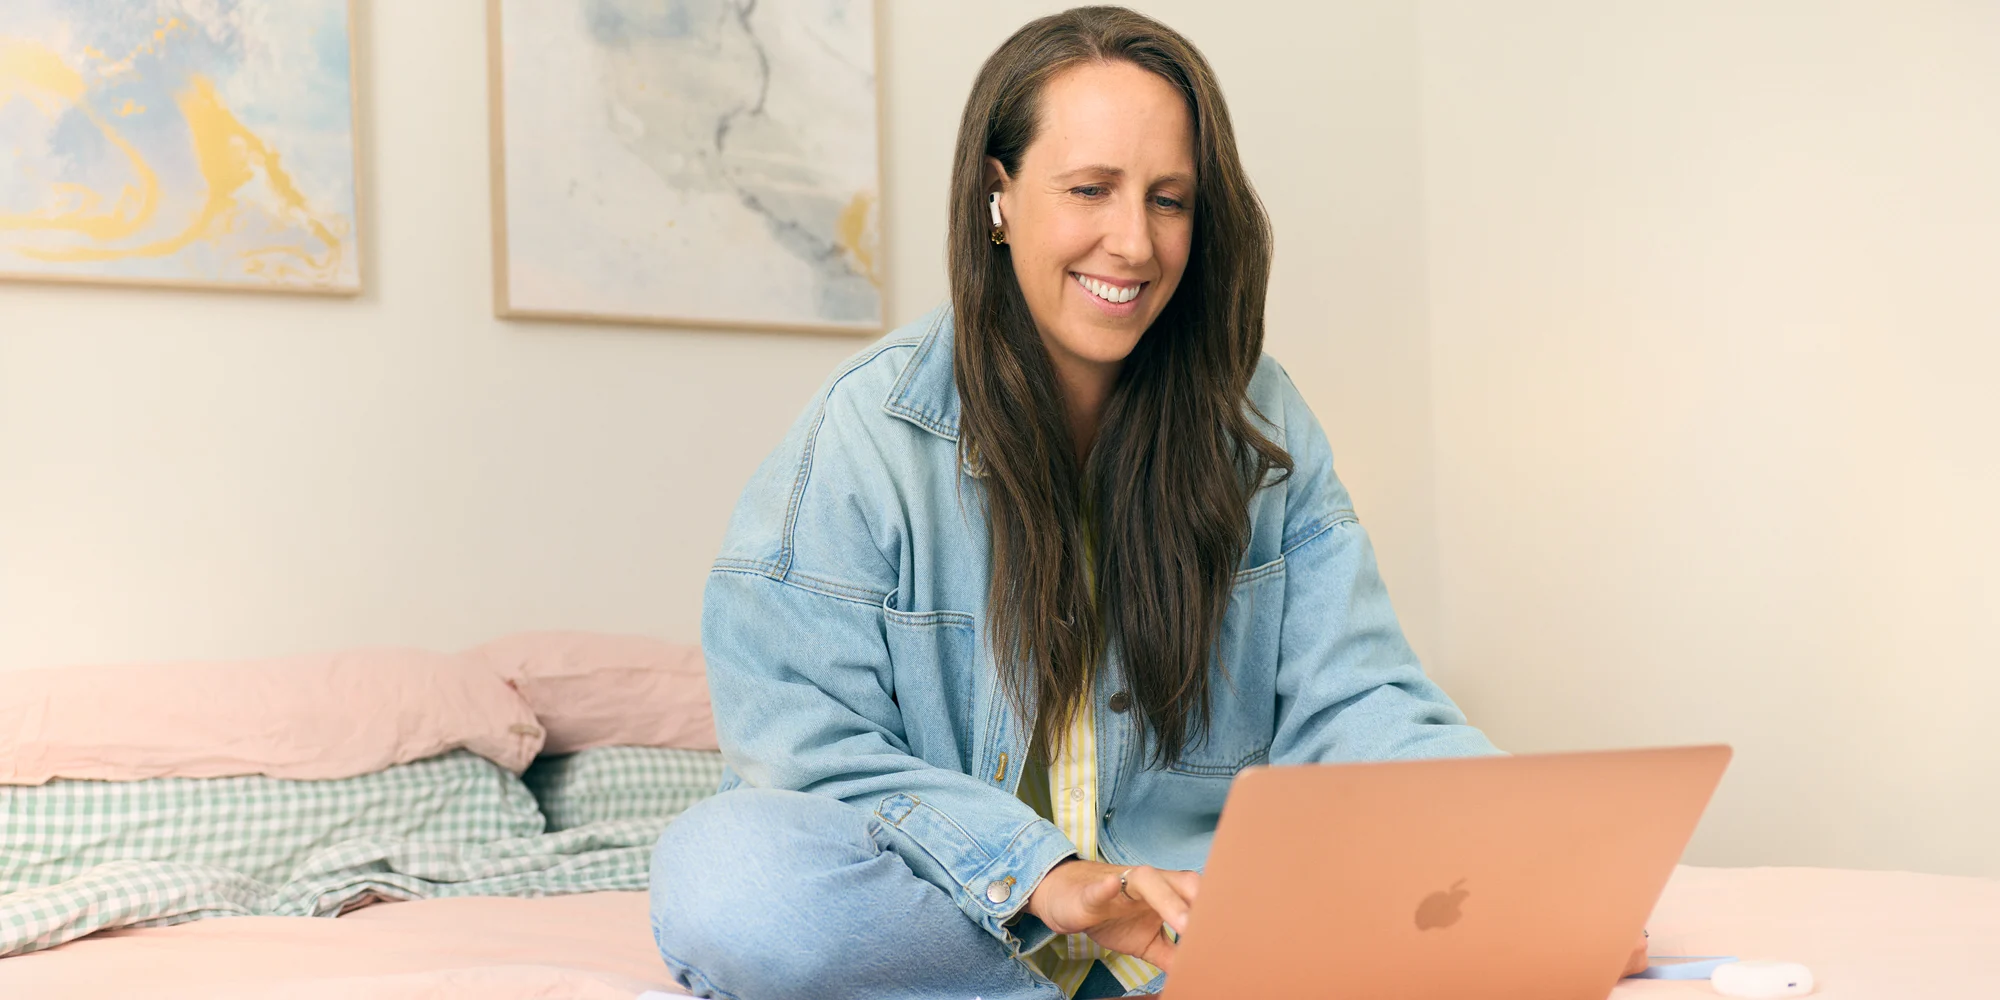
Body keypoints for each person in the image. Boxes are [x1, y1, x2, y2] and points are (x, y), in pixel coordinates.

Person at [650, 7, 1623, 999]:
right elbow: (803, 753)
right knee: (724, 873)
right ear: (999, 194)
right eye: (1089, 190)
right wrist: (1044, 876)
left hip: (1195, 939)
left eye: (1169, 199)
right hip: (959, 935)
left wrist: (1527, 856)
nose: (1133, 242)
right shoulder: (866, 431)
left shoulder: (1257, 418)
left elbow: (1357, 700)